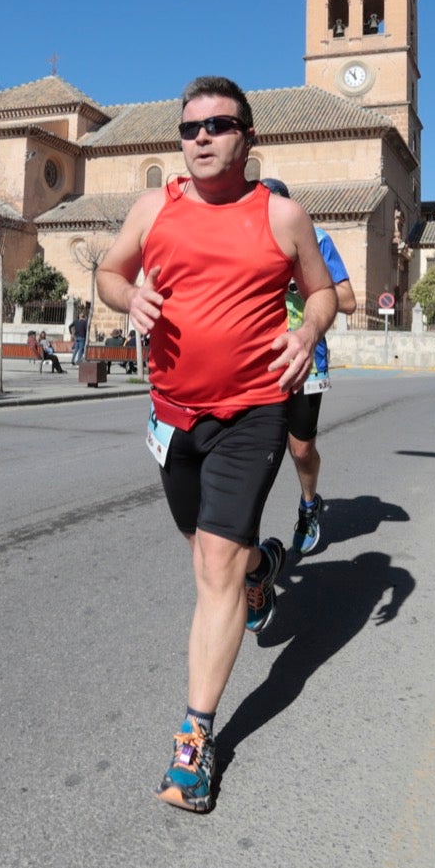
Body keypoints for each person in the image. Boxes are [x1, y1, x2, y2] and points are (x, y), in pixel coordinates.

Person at [97, 75, 335, 814]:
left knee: (214, 566)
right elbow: (107, 271)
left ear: (247, 137)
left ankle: (194, 743)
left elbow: (323, 291)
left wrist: (307, 331)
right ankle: (264, 568)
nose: (200, 137)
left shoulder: (282, 215)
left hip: (253, 412)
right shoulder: (153, 207)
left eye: (218, 125)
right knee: (205, 548)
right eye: (190, 127)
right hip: (172, 415)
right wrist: (127, 295)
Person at [258, 178, 357, 555]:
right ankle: (244, 537)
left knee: (300, 450)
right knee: (257, 452)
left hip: (305, 362)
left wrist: (298, 286)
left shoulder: (317, 239)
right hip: (256, 362)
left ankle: (309, 504)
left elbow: (347, 300)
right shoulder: (247, 239)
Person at [70, 303, 91, 368]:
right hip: (82, 337)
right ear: (83, 317)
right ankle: (78, 362)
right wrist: (88, 338)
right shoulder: (85, 322)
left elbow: (70, 326)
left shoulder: (75, 321)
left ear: (79, 316)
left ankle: (72, 361)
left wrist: (71, 333)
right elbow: (86, 330)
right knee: (81, 350)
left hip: (76, 337)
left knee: (76, 349)